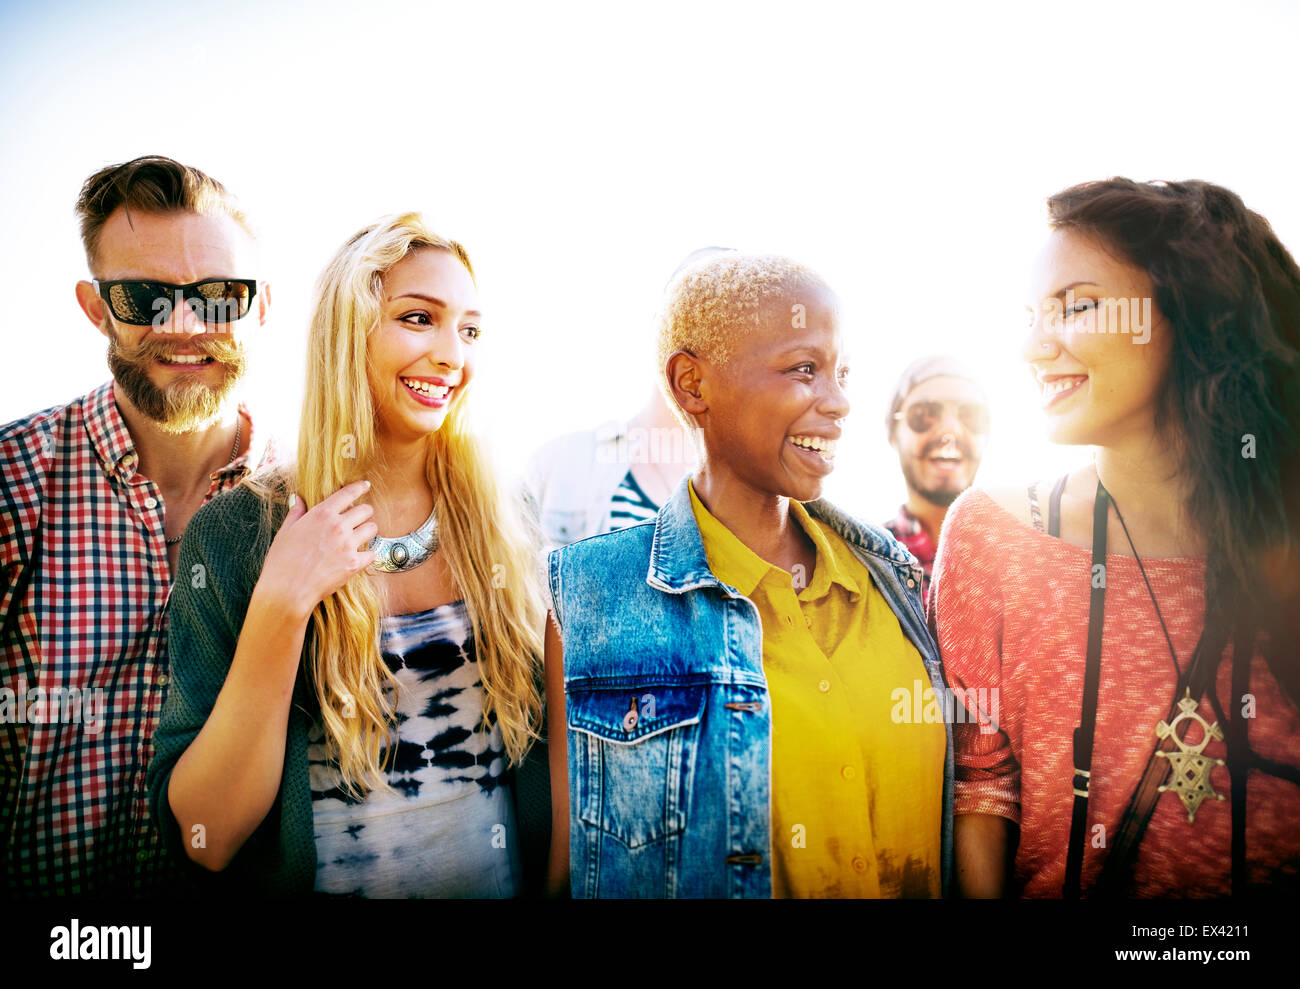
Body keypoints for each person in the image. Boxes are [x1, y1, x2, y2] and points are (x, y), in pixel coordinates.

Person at [147, 214, 546, 896]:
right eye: (419, 318)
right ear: (348, 330)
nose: (453, 354)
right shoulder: (235, 533)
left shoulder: (507, 514)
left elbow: (553, 757)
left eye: (469, 328)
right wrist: (282, 603)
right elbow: (206, 835)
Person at [932, 178, 1300, 898]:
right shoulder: (993, 535)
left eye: (1078, 306)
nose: (1035, 346)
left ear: (1189, 311)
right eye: (1033, 316)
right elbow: (982, 790)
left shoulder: (1283, 534)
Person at [544, 253, 952, 898]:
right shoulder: (595, 601)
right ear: (692, 385)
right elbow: (573, 866)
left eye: (842, 373)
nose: (840, 401)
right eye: (803, 369)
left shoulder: (896, 579)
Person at [0, 155, 273, 895]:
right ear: (96, 308)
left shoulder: (310, 505)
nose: (183, 325)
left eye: (218, 295)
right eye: (144, 296)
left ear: (262, 305)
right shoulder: (12, 484)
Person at [526, 248, 728, 553]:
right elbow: (501, 594)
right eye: (694, 315)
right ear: (660, 329)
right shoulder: (560, 465)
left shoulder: (765, 500)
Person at [883, 356, 989, 605]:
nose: (949, 432)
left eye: (971, 416)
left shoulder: (1022, 556)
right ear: (893, 433)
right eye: (925, 415)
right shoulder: (860, 563)